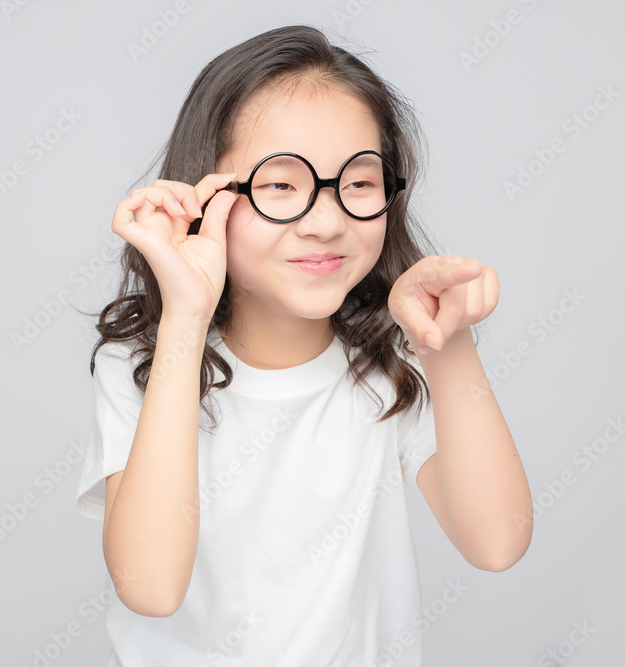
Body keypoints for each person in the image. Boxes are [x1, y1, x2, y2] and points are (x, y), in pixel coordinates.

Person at [74, 24, 532, 667]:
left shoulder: (389, 368)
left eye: (360, 184)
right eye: (280, 185)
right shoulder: (144, 366)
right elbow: (149, 586)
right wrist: (186, 314)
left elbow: (497, 542)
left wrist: (445, 341)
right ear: (208, 194)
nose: (326, 222)